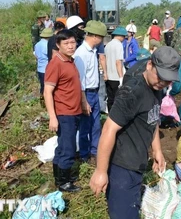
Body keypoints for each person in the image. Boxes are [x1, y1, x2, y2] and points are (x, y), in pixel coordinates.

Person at [89, 46, 181, 219]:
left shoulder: (157, 88)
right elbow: (108, 129)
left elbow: (152, 118)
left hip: (137, 160)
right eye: (160, 77)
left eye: (168, 80)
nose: (163, 83)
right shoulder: (133, 92)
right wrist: (101, 171)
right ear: (149, 65)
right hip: (122, 165)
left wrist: (157, 150)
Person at [44, 29, 82, 192]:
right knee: (68, 148)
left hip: (74, 111)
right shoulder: (56, 63)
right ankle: (64, 183)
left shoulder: (69, 61)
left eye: (73, 42)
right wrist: (53, 117)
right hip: (64, 113)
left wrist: (84, 102)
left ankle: (60, 178)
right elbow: (47, 91)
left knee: (63, 146)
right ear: (58, 45)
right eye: (66, 43)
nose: (70, 46)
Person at [74, 20, 107, 164]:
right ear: (95, 37)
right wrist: (83, 101)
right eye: (102, 38)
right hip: (86, 93)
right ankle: (84, 154)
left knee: (96, 124)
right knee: (85, 126)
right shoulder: (81, 53)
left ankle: (95, 151)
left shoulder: (92, 51)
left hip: (93, 92)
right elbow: (79, 81)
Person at [104, 26, 127, 112]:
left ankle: (110, 115)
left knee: (110, 99)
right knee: (118, 99)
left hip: (109, 76)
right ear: (121, 36)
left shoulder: (108, 45)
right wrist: (121, 77)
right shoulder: (119, 45)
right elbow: (118, 62)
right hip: (116, 77)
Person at [35, 28, 54, 106]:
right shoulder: (47, 45)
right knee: (48, 87)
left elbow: (36, 55)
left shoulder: (37, 44)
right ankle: (47, 103)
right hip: (46, 69)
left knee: (42, 85)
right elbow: (50, 55)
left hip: (40, 68)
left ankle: (42, 102)